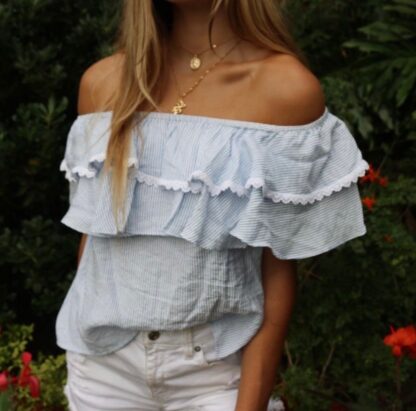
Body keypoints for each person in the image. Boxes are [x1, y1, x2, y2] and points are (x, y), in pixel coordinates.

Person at [55, 0, 370, 410]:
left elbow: (276, 274)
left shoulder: (286, 90)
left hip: (213, 372)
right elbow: (93, 239)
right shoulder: (103, 83)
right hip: (102, 370)